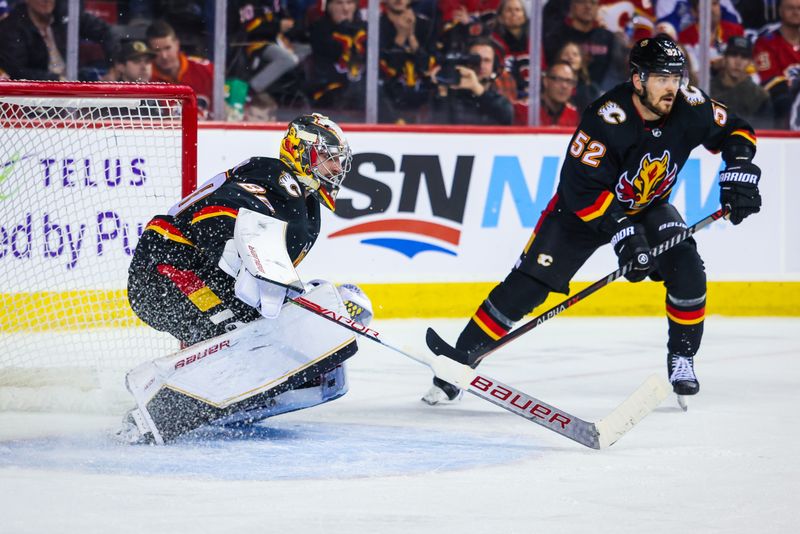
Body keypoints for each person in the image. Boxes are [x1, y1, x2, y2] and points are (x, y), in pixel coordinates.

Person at [422, 35, 762, 406]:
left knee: (688, 267)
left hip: (648, 207)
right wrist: (625, 237)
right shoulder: (605, 118)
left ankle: (682, 357)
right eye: (662, 78)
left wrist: (740, 169)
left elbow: (737, 129)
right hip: (580, 213)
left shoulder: (690, 105)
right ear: (638, 79)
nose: (672, 87)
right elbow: (580, 189)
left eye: (676, 77)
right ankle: (459, 362)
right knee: (526, 289)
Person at [122, 113, 370, 443]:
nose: (337, 170)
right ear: (301, 151)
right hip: (168, 267)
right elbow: (214, 216)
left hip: (198, 274)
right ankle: (149, 418)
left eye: (339, 162)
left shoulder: (306, 205)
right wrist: (237, 259)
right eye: (328, 158)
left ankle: (237, 394)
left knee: (260, 332)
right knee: (241, 337)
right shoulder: (275, 175)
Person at [0, 0, 115, 81]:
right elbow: (16, 71)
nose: (46, 0)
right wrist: (56, 79)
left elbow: (105, 32)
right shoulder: (12, 27)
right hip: (36, 96)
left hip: (74, 83)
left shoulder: (65, 15)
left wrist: (113, 68)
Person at [431, 37, 514, 125]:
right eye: (475, 60)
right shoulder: (453, 91)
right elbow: (438, 126)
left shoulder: (501, 90)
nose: (481, 65)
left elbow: (506, 117)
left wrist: (476, 88)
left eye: (487, 60)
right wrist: (442, 92)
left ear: (494, 65)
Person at [146, 19, 214, 118]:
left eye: (167, 48)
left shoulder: (206, 69)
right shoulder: (147, 77)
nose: (164, 56)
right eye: (157, 50)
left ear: (177, 44)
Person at [753, 0, 800, 129]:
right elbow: (770, 81)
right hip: (782, 105)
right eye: (790, 8)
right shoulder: (766, 42)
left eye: (799, 8)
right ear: (780, 11)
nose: (796, 12)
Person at [710, 36, 773, 129]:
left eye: (744, 57)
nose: (738, 62)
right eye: (733, 55)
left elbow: (766, 131)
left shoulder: (760, 96)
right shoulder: (707, 89)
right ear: (725, 58)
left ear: (750, 62)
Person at [540, 61, 580, 127]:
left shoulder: (573, 114)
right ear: (545, 81)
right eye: (559, 79)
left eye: (569, 81)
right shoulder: (523, 110)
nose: (564, 86)